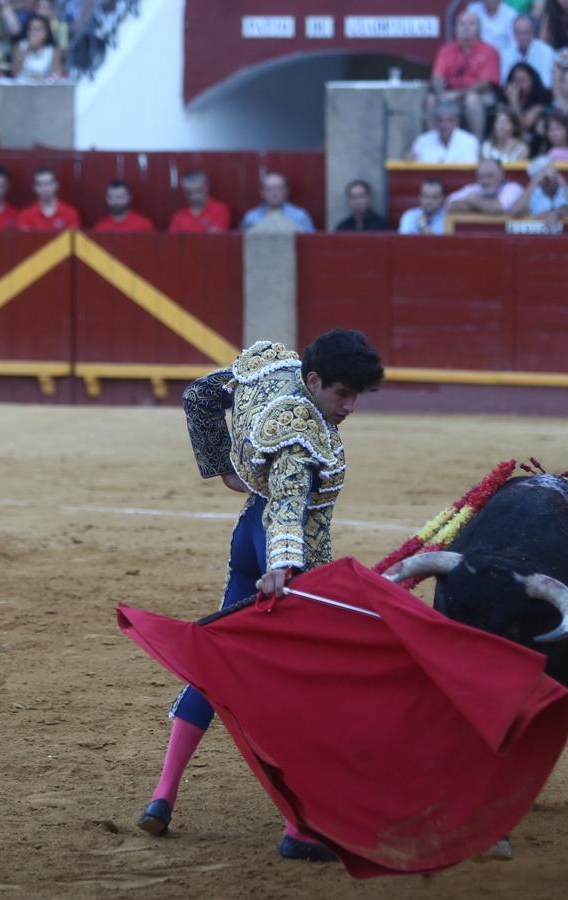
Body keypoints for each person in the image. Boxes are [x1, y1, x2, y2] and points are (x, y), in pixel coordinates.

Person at [137, 330, 385, 863]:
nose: (350, 407)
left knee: (214, 659)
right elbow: (291, 499)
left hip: (246, 532)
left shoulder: (271, 368)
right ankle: (301, 830)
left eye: (357, 396)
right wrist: (283, 566)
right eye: (343, 394)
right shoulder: (301, 433)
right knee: (304, 689)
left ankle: (163, 795)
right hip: (285, 555)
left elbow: (200, 395)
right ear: (314, 381)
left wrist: (222, 467)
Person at [432, 12, 501, 139]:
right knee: (430, 100)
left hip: (479, 95)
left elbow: (485, 84)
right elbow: (438, 77)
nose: (466, 27)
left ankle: (477, 145)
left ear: (479, 29)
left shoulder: (490, 51)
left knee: (472, 100)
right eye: (462, 24)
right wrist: (441, 95)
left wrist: (459, 95)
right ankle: (433, 146)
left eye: (471, 24)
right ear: (456, 29)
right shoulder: (446, 50)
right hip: (450, 94)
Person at [446, 158, 527, 214]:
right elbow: (450, 204)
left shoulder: (513, 188)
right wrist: (483, 208)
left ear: (502, 175)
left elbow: (499, 209)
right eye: (481, 177)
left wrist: (474, 201)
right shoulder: (475, 188)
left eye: (490, 175)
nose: (485, 181)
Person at [408, 102, 480, 163]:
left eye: (450, 120)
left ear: (457, 122)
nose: (444, 125)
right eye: (440, 120)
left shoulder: (469, 141)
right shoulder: (422, 141)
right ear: (434, 122)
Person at [241, 173, 316, 232]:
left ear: (286, 191)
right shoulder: (251, 217)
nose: (274, 193)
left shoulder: (300, 216)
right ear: (262, 192)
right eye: (269, 189)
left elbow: (310, 243)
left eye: (279, 188)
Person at [503, 63, 553, 149]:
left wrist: (514, 101)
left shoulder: (541, 101)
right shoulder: (503, 100)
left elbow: (523, 125)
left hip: (531, 144)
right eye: (515, 81)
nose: (519, 85)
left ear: (532, 81)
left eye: (523, 80)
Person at [16, 167, 81, 230]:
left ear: (56, 185)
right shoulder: (25, 215)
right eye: (40, 184)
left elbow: (72, 240)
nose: (45, 188)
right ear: (35, 188)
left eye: (48, 183)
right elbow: (25, 240)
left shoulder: (70, 213)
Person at [501, 13, 557, 86]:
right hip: (514, 93)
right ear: (514, 34)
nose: (523, 37)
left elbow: (546, 82)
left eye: (526, 32)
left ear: (532, 33)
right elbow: (505, 81)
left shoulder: (546, 51)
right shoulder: (505, 53)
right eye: (519, 33)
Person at [12, 14, 62, 81]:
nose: (32, 33)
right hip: (21, 87)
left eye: (37, 30)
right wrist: (25, 53)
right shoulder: (20, 46)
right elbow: (15, 74)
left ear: (46, 33)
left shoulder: (53, 51)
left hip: (43, 87)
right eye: (30, 29)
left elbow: (57, 75)